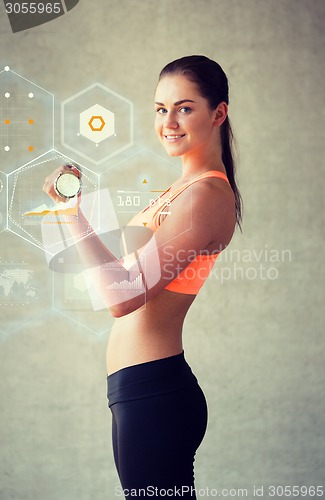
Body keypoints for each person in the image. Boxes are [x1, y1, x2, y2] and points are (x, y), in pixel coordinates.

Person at [43, 55, 242, 498]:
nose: (168, 122)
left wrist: (70, 214)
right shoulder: (180, 190)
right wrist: (71, 209)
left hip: (155, 392)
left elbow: (123, 297)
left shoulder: (206, 194)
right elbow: (118, 276)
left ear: (219, 113)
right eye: (160, 109)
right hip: (137, 390)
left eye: (184, 108)